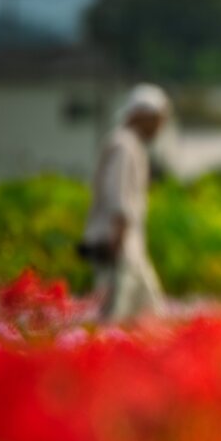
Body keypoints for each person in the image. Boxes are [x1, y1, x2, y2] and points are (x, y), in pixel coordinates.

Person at [80, 84, 170, 322]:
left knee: (149, 313)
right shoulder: (124, 145)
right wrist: (118, 239)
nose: (160, 127)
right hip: (119, 243)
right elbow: (117, 194)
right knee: (115, 314)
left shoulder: (131, 145)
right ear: (141, 116)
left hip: (129, 245)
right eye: (157, 119)